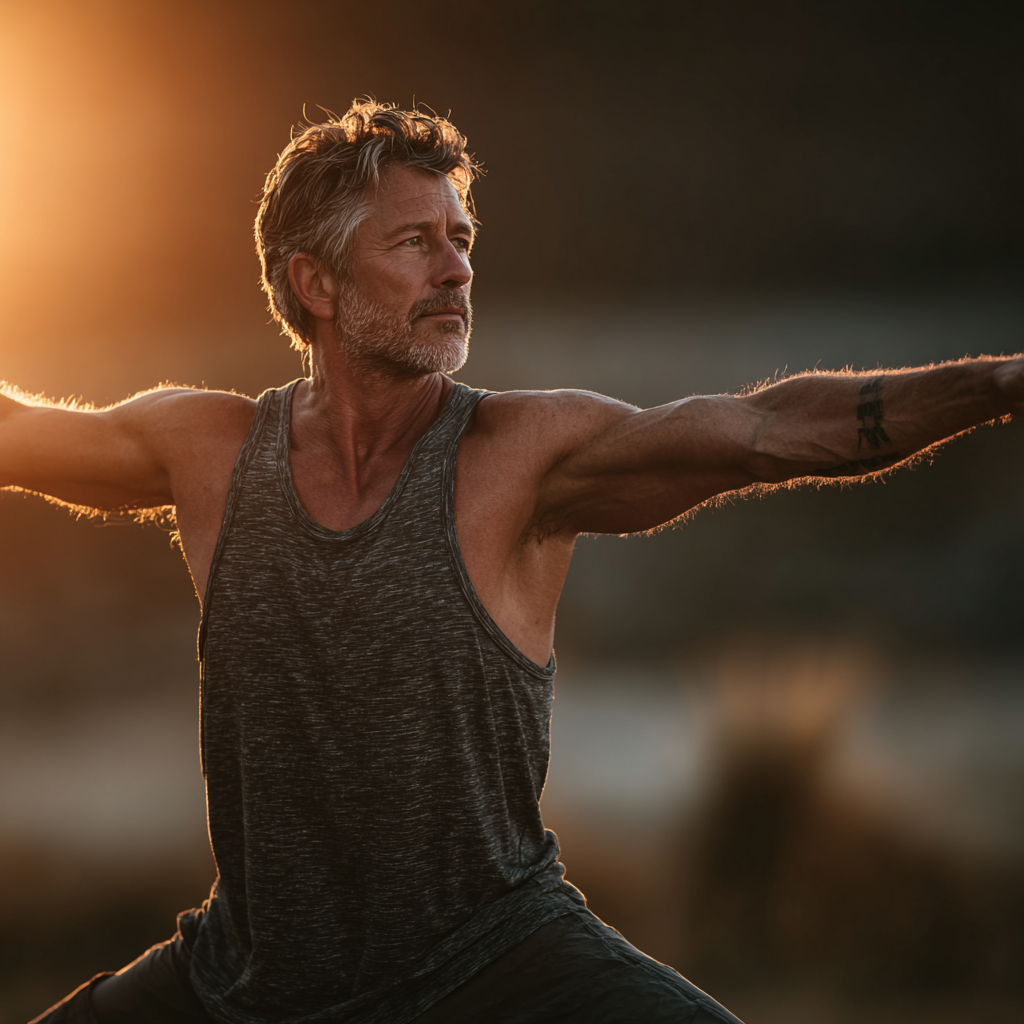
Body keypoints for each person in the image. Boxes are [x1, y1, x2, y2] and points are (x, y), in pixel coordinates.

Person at [4, 99, 1022, 1024]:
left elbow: (758, 430)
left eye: (461, 239)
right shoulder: (209, 452)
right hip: (246, 979)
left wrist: (995, 379)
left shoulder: (517, 457)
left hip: (499, 967)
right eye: (413, 243)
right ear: (312, 282)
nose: (455, 270)